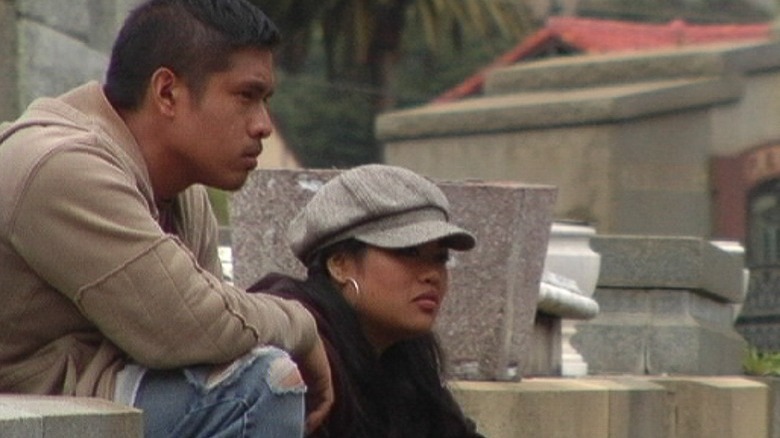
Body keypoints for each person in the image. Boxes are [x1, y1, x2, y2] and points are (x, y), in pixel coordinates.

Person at [0, 0, 333, 436]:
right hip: (25, 412)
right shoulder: (59, 166)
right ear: (167, 93)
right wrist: (303, 325)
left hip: (89, 401)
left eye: (265, 101)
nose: (263, 126)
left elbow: (217, 338)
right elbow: (192, 326)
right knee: (260, 387)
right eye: (246, 97)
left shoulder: (183, 193)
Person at [249, 164, 485, 437]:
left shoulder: (406, 358)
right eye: (408, 252)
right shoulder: (296, 351)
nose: (432, 274)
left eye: (440, 258)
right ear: (340, 264)